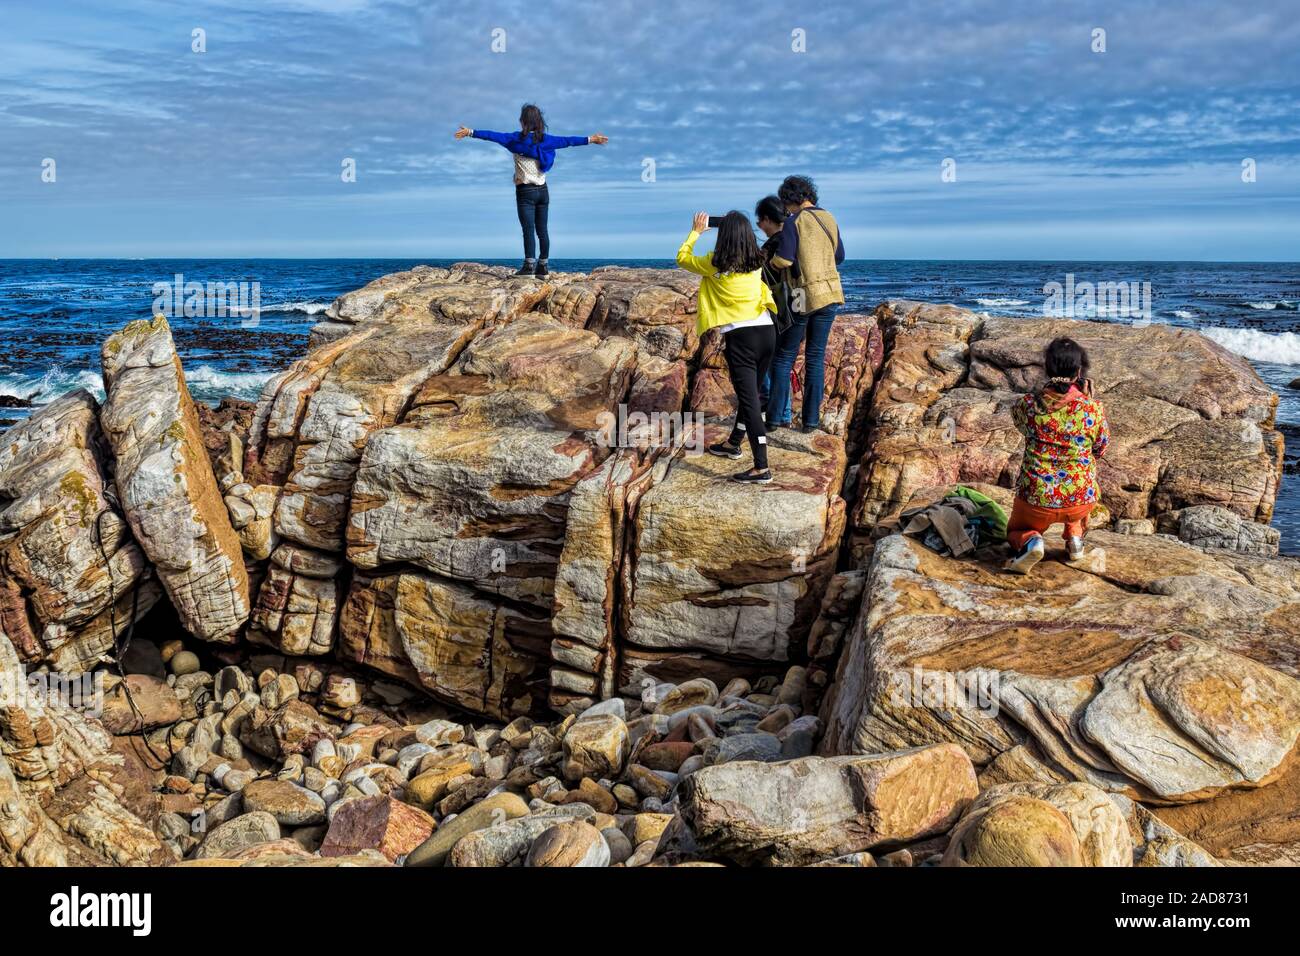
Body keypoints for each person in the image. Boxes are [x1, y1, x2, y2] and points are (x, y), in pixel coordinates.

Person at [676, 210, 777, 484]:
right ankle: (733, 443)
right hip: (767, 331)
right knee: (752, 393)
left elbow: (682, 258)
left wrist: (696, 232)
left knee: (750, 401)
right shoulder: (757, 260)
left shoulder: (715, 262)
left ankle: (761, 468)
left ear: (724, 235)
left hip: (742, 338)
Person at [455, 104, 608, 277]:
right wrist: (591, 139)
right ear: (539, 122)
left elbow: (492, 136)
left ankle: (529, 267)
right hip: (543, 192)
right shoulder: (548, 140)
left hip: (525, 192)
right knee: (542, 229)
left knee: (528, 229)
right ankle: (543, 267)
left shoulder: (515, 139)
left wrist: (470, 132)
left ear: (523, 122)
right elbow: (569, 141)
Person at [1004, 337, 1111, 574]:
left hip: (1036, 498)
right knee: (1080, 488)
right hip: (1080, 499)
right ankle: (1075, 539)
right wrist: (1087, 400)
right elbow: (1100, 449)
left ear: (1047, 368)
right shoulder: (1092, 409)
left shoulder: (1028, 405)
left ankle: (1031, 540)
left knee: (1014, 531)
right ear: (1079, 371)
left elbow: (1021, 424)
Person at [767, 175, 845, 433]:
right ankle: (811, 421)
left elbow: (786, 259)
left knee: (784, 357)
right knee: (815, 357)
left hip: (804, 295)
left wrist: (770, 264)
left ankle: (775, 418)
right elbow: (840, 256)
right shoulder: (829, 218)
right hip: (831, 294)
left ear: (790, 200)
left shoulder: (794, 221)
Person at [755, 194, 795, 427]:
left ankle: (776, 411)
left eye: (760, 222)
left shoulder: (773, 244)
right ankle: (785, 414)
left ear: (769, 219)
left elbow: (759, 275)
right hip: (795, 307)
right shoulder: (792, 239)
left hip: (776, 309)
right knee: (783, 362)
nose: (759, 227)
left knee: (772, 362)